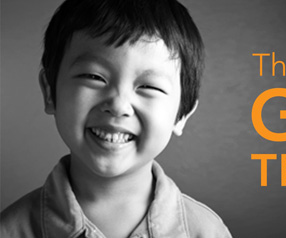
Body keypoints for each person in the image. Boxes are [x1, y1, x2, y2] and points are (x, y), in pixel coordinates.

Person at [0, 0, 232, 237]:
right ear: (50, 92)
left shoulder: (206, 231)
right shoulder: (10, 230)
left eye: (149, 87)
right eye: (93, 76)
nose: (119, 105)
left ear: (181, 115)